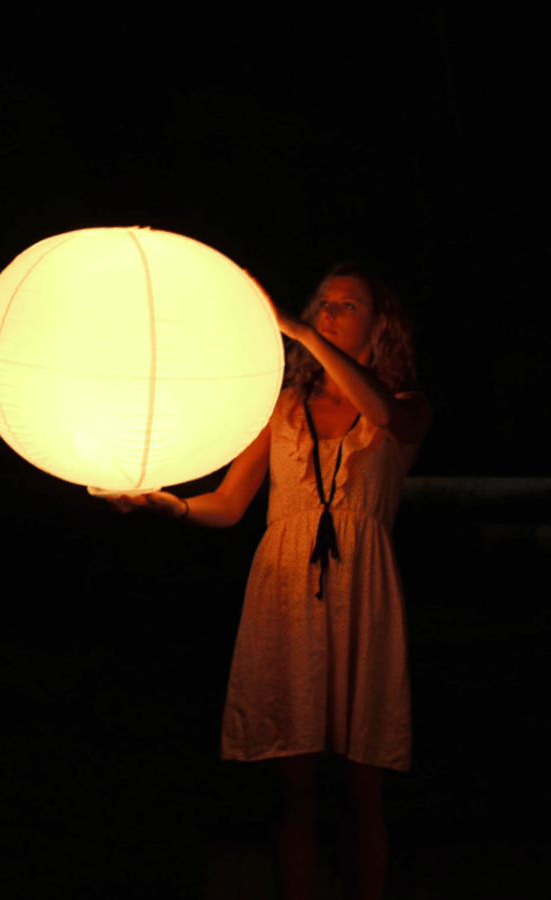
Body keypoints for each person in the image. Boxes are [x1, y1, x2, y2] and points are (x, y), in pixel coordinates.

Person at [106, 261, 432, 900]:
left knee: (362, 786)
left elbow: (391, 421)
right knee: (294, 785)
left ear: (379, 326)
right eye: (323, 303)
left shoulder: (405, 408)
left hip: (362, 596)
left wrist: (307, 340)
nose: (328, 312)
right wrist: (165, 502)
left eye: (346, 305)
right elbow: (229, 504)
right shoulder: (282, 408)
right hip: (286, 594)